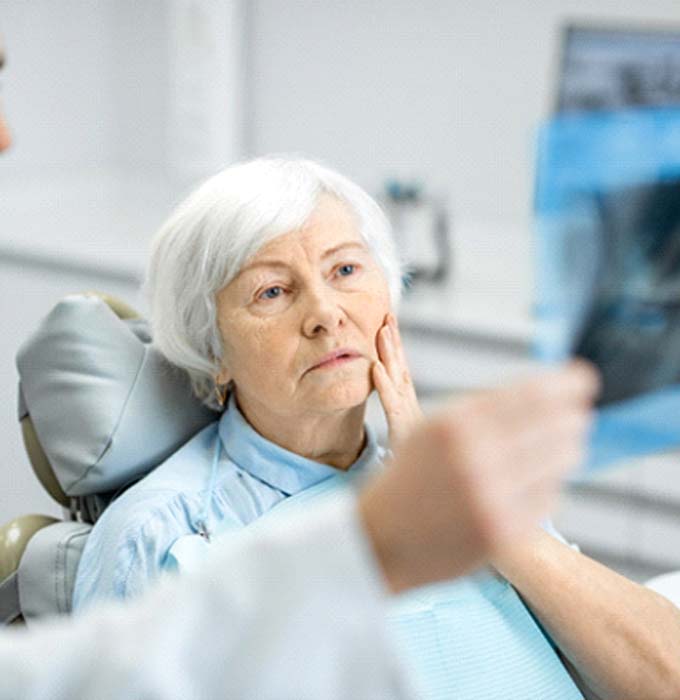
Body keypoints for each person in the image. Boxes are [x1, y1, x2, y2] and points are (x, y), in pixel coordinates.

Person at [0, 35, 677, 700]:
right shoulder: (163, 535)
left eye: (347, 269)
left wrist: (495, 525)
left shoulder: (449, 478)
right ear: (213, 352)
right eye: (272, 290)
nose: (326, 312)